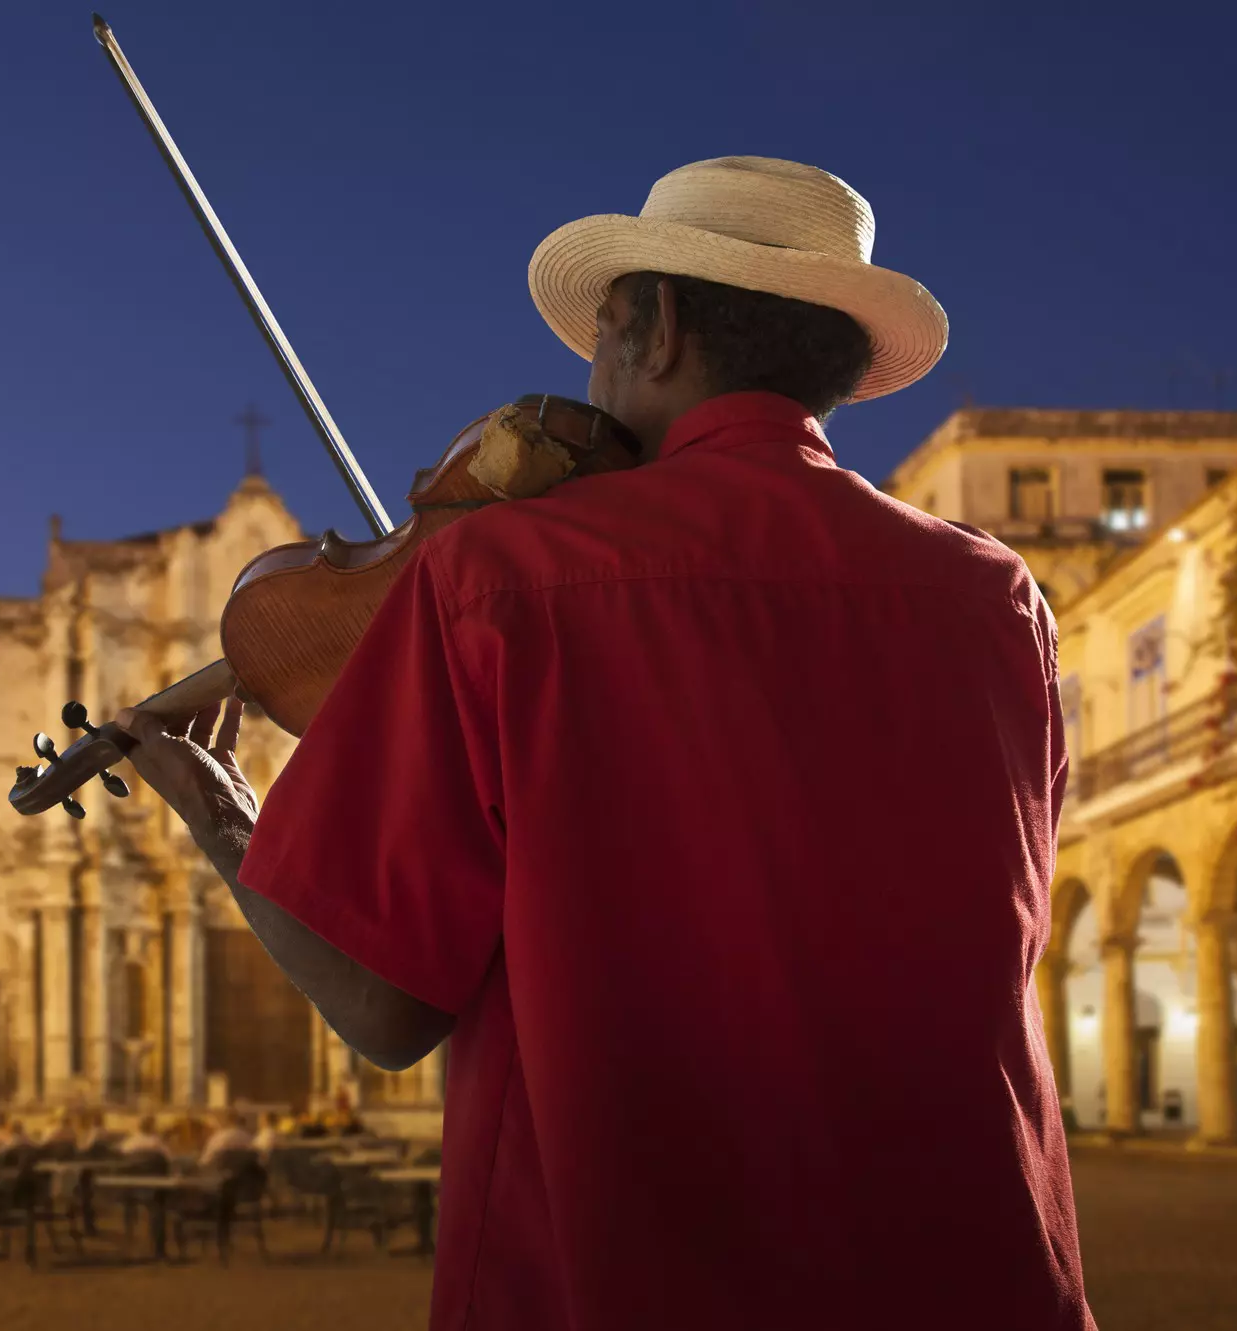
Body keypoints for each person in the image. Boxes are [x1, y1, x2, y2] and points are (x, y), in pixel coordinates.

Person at [115, 157, 1093, 1330]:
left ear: (659, 327)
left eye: (600, 339)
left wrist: (219, 810)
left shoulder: (502, 576)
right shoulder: (998, 600)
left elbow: (384, 1008)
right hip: (974, 1282)